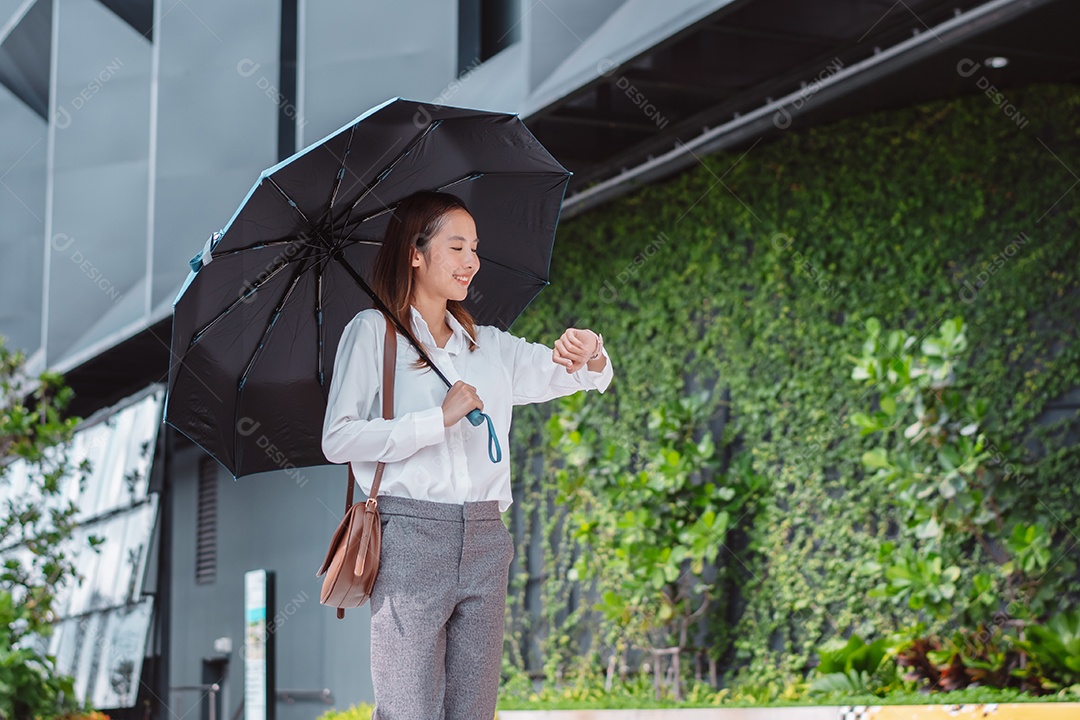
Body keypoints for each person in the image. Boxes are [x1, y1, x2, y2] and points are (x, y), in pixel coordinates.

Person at [321, 190, 613, 720]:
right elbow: (337, 438)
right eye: (456, 247)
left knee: (474, 711)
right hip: (409, 538)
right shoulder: (372, 334)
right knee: (407, 709)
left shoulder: (488, 346)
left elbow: (562, 373)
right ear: (416, 252)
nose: (471, 261)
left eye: (474, 248)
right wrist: (437, 420)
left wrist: (587, 351)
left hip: (484, 536)